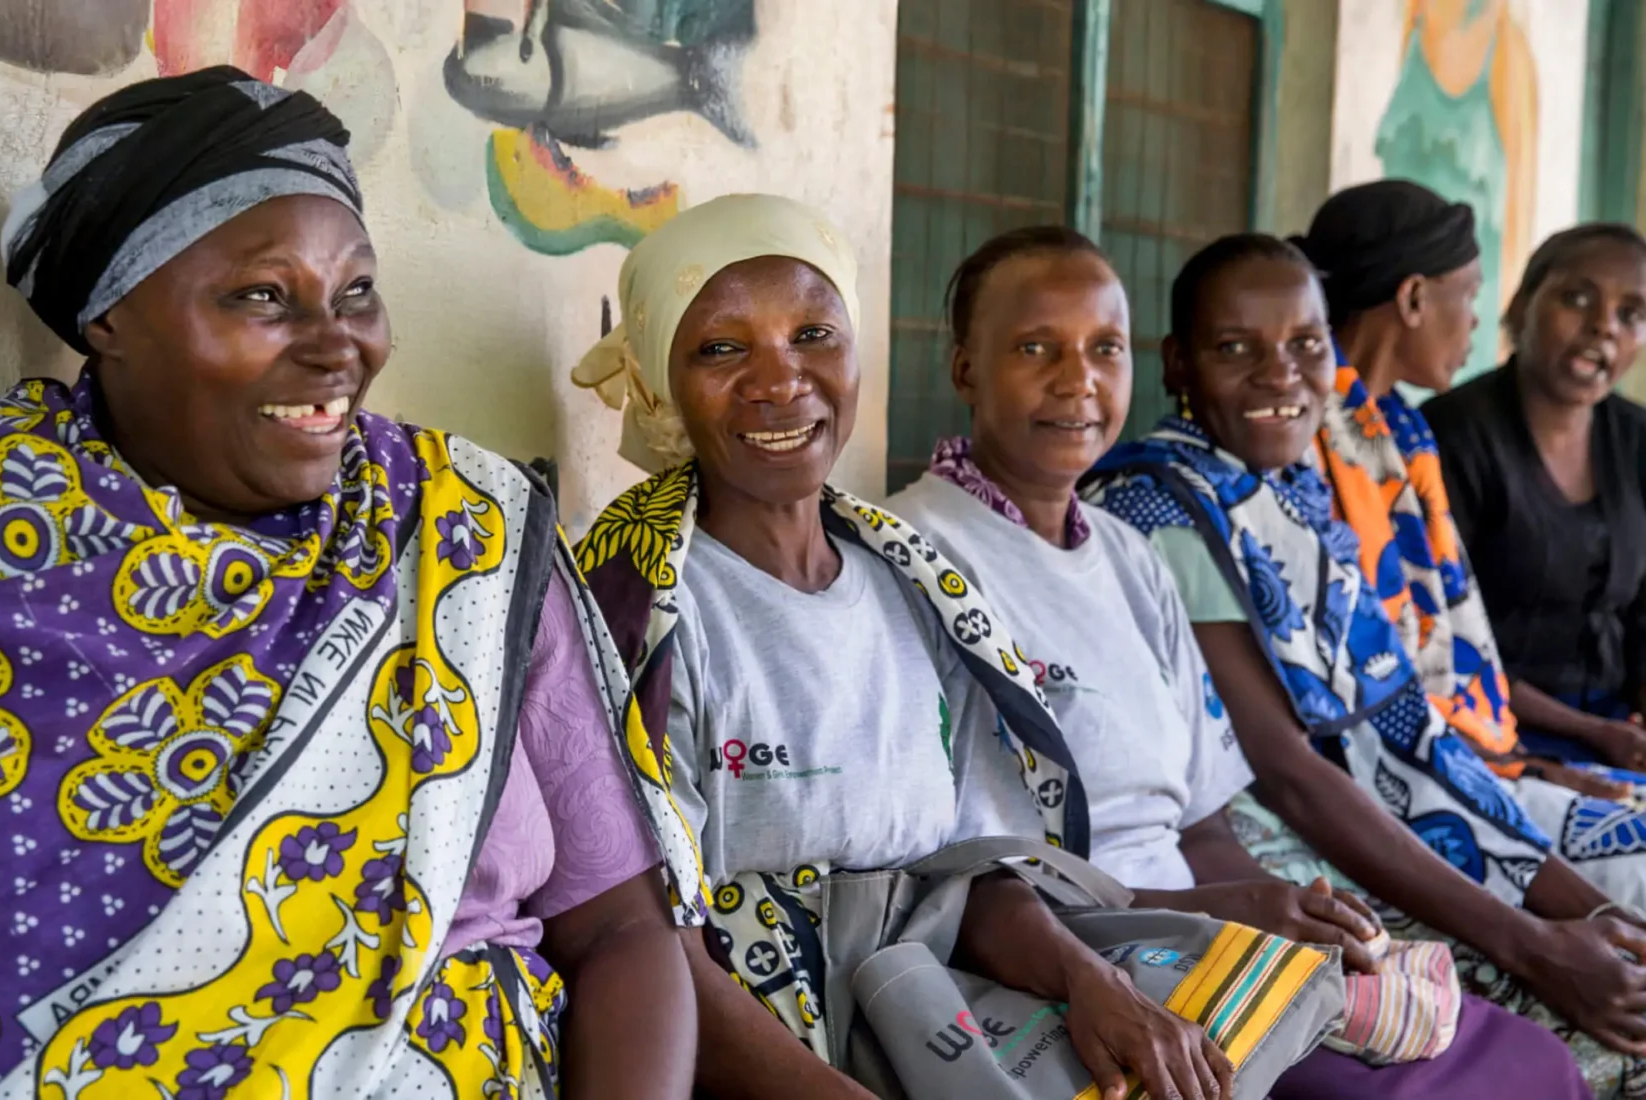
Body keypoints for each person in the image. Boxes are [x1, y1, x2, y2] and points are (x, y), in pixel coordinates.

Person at [0, 68, 706, 1100]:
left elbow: (626, 928)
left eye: (356, 290)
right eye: (263, 297)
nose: (339, 348)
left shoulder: (459, 526)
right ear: (107, 318)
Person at [572, 194, 1270, 1100]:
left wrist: (1086, 981)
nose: (780, 381)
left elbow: (961, 872)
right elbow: (652, 953)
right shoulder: (646, 609)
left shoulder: (917, 587)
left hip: (926, 1027)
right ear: (663, 382)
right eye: (721, 348)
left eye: (814, 335)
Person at [892, 225, 1584, 1098]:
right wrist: (1212, 917)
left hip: (1195, 941)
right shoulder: (915, 555)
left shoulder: (1123, 554)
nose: (1079, 382)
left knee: (1524, 1056)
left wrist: (1296, 919)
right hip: (1066, 963)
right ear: (964, 370)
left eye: (1104, 348)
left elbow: (1204, 821)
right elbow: (961, 875)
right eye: (1036, 349)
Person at [1084, 233, 1646, 1095]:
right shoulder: (1160, 507)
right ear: (1179, 364)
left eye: (1306, 346)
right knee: (1595, 1052)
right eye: (1237, 348)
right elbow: (1290, 775)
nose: (1281, 375)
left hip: (1389, 824)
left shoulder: (1291, 494)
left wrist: (1585, 913)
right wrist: (1531, 942)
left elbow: (1408, 727)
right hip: (1277, 855)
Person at [1295, 180, 1646, 808]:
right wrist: (1533, 765)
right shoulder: (1358, 434)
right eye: (1471, 295)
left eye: (1632, 314)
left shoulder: (1398, 430)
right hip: (1452, 753)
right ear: (1413, 299)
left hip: (1495, 742)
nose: (1604, 329)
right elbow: (1404, 658)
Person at [1426, 223, 1646, 775]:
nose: (1603, 327)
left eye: (1632, 314)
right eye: (1577, 298)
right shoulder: (1448, 439)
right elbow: (1441, 643)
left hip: (1615, 727)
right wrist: (1595, 734)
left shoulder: (1636, 440)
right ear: (1523, 306)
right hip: (1482, 735)